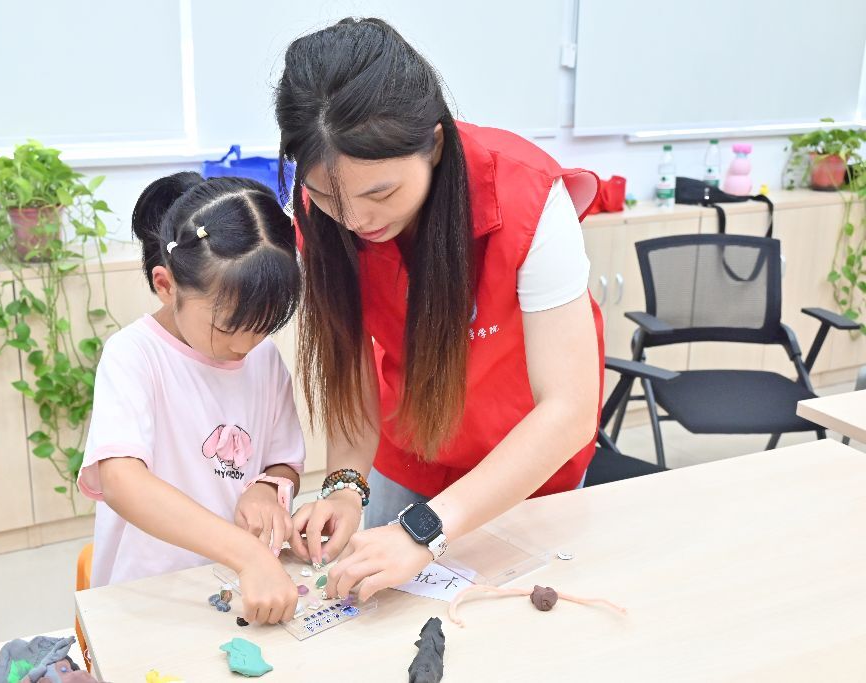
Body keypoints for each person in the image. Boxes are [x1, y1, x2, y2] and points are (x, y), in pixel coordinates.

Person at [276, 18, 604, 601]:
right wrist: (345, 485)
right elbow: (350, 365)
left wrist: (425, 529)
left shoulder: (527, 198)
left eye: (381, 193)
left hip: (527, 466)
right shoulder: (322, 216)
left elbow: (570, 409)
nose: (355, 220)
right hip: (411, 453)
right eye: (327, 197)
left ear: (433, 143)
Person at [77, 172, 305, 624]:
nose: (244, 345)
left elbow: (284, 462)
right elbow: (122, 481)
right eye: (227, 328)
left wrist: (266, 489)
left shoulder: (263, 358)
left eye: (262, 327)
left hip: (234, 584)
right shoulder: (134, 355)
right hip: (151, 594)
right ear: (166, 285)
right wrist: (247, 553)